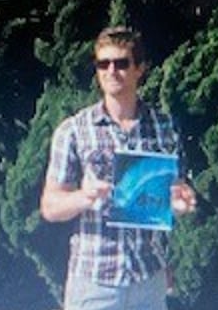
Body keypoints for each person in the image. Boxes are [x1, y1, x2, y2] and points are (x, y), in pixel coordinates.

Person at [41, 25, 197, 310]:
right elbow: (50, 207)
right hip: (94, 281)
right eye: (103, 64)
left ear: (140, 69)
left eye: (121, 63)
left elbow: (173, 193)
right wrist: (84, 197)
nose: (111, 71)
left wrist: (181, 201)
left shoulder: (165, 127)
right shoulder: (74, 130)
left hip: (149, 278)